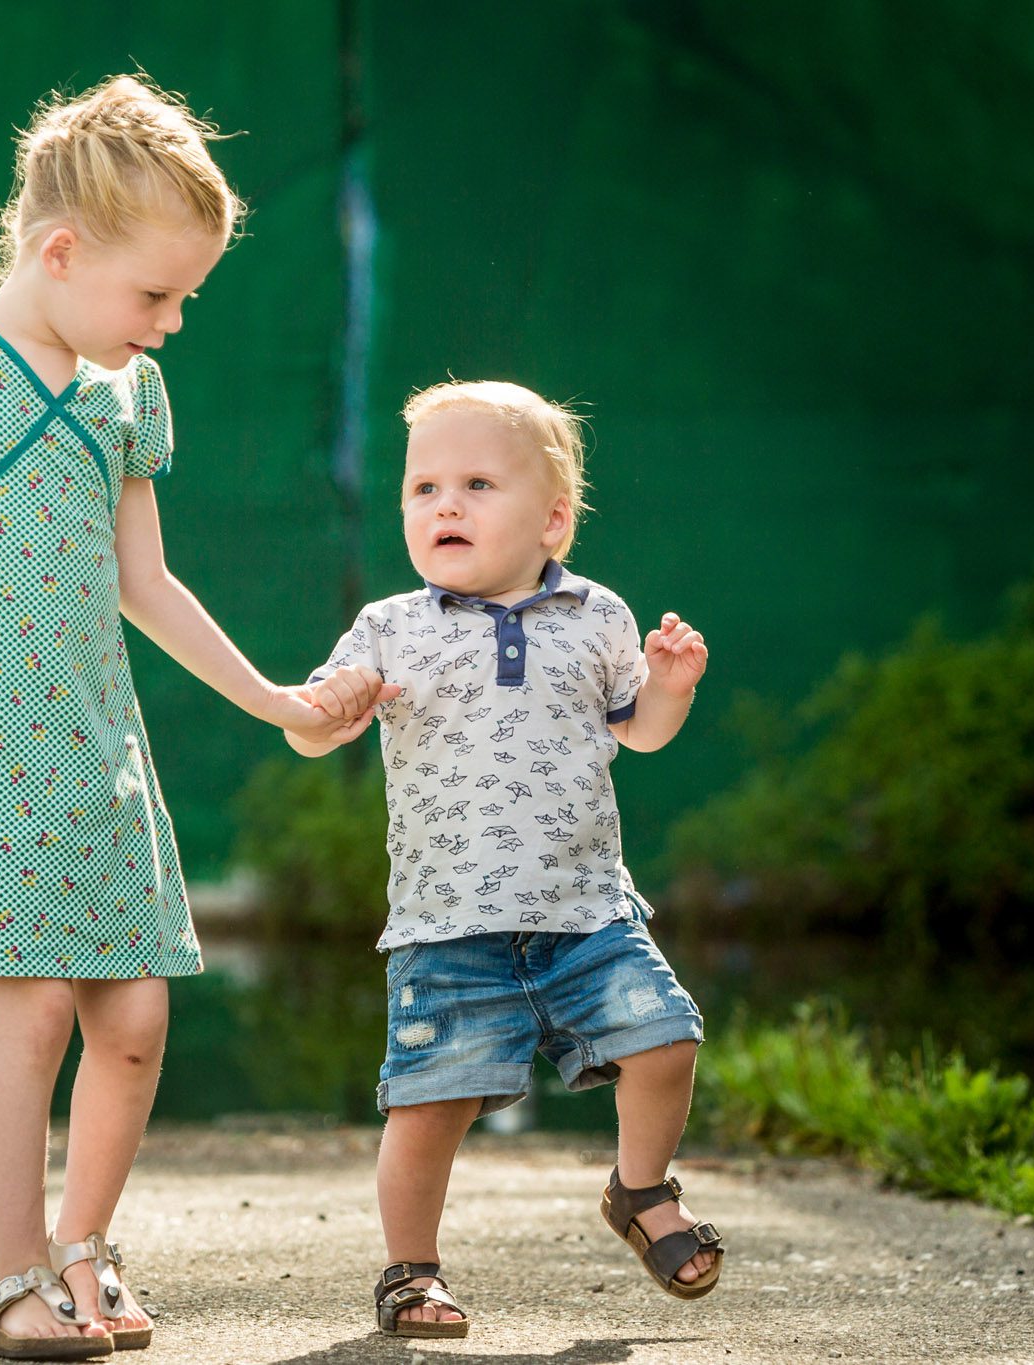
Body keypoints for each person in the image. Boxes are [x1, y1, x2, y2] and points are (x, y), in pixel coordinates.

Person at [0, 74, 386, 1360]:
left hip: (95, 739)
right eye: (155, 296)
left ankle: (83, 1248)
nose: (171, 323)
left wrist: (279, 704)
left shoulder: (128, 400)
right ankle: (11, 1281)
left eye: (184, 299)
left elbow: (145, 586)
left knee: (133, 1018)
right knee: (37, 1011)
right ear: (59, 252)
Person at [290, 380, 725, 1339]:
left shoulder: (596, 613)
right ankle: (411, 1272)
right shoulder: (390, 626)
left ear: (553, 520)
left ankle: (641, 1189)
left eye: (479, 484)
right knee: (428, 1110)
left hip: (586, 912)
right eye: (424, 488)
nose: (445, 505)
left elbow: (640, 732)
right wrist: (333, 708)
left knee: (668, 1038)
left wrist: (673, 689)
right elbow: (310, 733)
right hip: (448, 925)